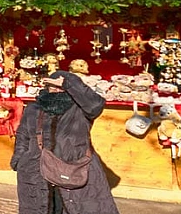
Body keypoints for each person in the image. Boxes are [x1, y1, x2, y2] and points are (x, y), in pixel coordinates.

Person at [11, 71, 119, 214]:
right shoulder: (34, 108)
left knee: (78, 207)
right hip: (36, 171)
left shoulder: (80, 109)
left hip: (74, 167)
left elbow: (96, 105)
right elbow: (23, 134)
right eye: (52, 86)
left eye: (60, 87)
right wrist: (18, 160)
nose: (56, 90)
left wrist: (69, 83)